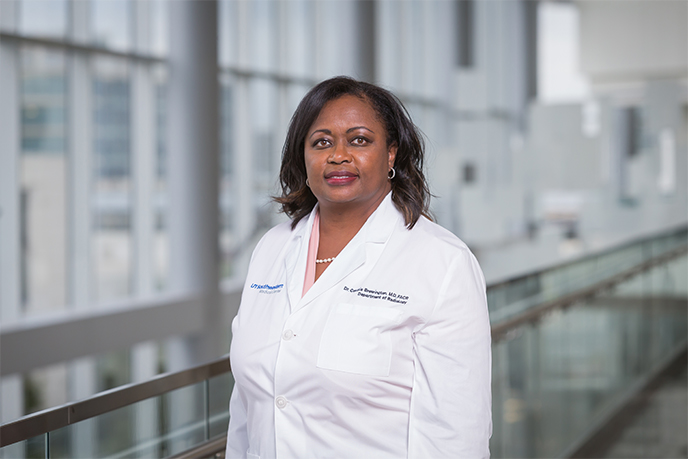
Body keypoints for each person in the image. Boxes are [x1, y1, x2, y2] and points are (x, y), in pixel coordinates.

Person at [225, 76, 492, 459]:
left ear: (391, 155)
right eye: (321, 142)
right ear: (303, 156)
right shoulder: (272, 248)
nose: (338, 155)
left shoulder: (442, 262)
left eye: (359, 140)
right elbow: (247, 406)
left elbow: (457, 435)